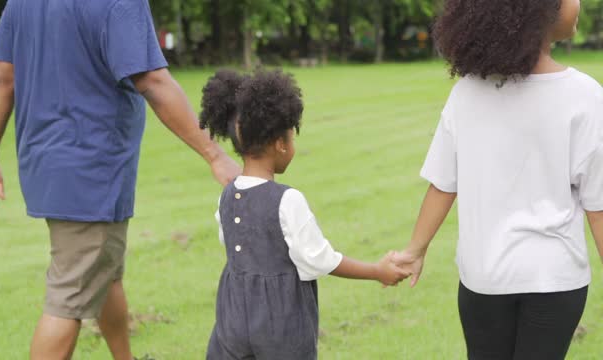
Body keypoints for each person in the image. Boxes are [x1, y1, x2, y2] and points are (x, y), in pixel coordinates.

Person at [0, 1, 240, 359]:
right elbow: (153, 81)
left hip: (49, 163)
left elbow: (3, 79)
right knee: (68, 298)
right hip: (91, 169)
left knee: (104, 272)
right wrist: (215, 155)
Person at [391, 0, 603, 359]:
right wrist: (414, 250)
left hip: (482, 280)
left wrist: (415, 250)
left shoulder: (467, 92)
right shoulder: (585, 95)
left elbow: (444, 183)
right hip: (555, 280)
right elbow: (598, 206)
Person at [199, 69, 409, 360]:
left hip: (231, 322)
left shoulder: (227, 194)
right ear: (280, 144)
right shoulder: (287, 199)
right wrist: (377, 271)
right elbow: (319, 259)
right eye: (292, 138)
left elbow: (236, 245)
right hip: (279, 327)